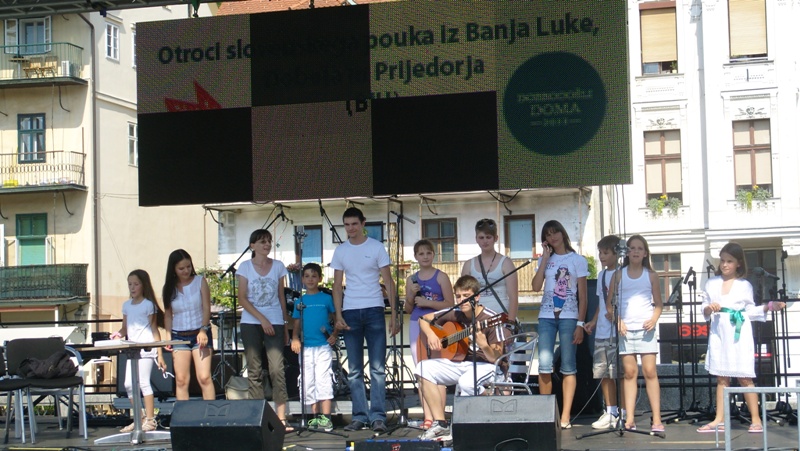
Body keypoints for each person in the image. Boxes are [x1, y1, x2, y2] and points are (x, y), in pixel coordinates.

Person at [696, 242, 786, 433]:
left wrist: (768, 306)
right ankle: (719, 419)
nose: (725, 264)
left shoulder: (744, 285)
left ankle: (756, 419)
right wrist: (709, 308)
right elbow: (704, 307)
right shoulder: (711, 283)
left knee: (744, 377)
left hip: (738, 333)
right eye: (722, 260)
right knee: (722, 378)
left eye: (729, 261)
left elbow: (749, 311)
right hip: (719, 333)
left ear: (738, 263)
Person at [414, 275, 509, 442]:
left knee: (466, 382)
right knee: (422, 368)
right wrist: (431, 335)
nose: (461, 300)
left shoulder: (491, 318)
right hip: (462, 363)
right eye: (458, 296)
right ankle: (440, 424)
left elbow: (496, 358)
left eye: (466, 296)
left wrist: (483, 345)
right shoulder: (455, 313)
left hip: (489, 366)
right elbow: (423, 319)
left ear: (477, 297)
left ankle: (492, 400)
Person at [331, 207, 398, 433]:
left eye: (354, 224)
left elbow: (389, 282)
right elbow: (337, 286)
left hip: (374, 309)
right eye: (347, 224)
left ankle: (378, 416)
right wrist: (338, 315)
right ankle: (359, 416)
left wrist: (394, 315)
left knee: (378, 368)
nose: (350, 228)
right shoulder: (341, 250)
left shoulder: (376, 247)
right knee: (354, 369)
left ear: (363, 223)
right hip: (350, 311)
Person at [531, 220, 588, 429]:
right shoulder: (545, 260)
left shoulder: (577, 260)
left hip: (570, 317)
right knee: (544, 365)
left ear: (563, 234)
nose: (552, 237)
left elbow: (583, 296)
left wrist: (580, 323)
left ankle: (565, 416)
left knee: (568, 366)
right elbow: (536, 286)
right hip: (546, 316)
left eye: (555, 232)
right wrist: (545, 260)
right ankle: (546, 415)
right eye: (548, 234)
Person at [606, 234, 664, 432]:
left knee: (650, 371)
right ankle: (629, 417)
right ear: (626, 252)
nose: (636, 251)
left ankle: (657, 419)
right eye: (632, 248)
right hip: (626, 330)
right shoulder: (618, 275)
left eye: (640, 248)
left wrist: (653, 319)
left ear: (645, 253)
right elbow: (609, 305)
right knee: (629, 373)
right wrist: (618, 321)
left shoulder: (651, 275)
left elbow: (658, 304)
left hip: (646, 329)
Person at [237, 229, 292, 431]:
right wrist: (262, 319)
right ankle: (258, 417)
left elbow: (281, 297)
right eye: (262, 242)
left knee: (277, 368)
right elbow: (242, 297)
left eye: (269, 241)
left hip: (275, 320)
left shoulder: (278, 266)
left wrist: (285, 325)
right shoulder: (245, 267)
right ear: (252, 245)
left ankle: (281, 418)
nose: (267, 245)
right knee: (254, 369)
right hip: (251, 322)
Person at [404, 239, 454, 429]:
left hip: (437, 324)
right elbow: (408, 308)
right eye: (421, 254)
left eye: (428, 253)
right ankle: (428, 417)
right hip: (416, 323)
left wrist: (429, 303)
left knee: (438, 370)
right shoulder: (411, 279)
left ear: (433, 255)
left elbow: (450, 304)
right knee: (422, 370)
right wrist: (411, 295)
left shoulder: (441, 277)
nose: (425, 257)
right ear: (416, 257)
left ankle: (440, 417)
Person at [113, 269, 166, 433]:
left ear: (143, 285)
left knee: (143, 382)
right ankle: (139, 417)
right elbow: (124, 328)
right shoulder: (126, 305)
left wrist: (160, 354)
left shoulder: (148, 305)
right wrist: (118, 334)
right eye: (130, 284)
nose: (132, 287)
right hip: (132, 350)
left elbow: (154, 329)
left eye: (136, 284)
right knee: (129, 384)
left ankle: (150, 420)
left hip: (147, 348)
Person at [290, 263, 338, 432]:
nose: (310, 279)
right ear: (302, 279)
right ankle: (314, 416)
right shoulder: (300, 301)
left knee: (323, 378)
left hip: (323, 345)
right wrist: (295, 338)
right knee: (307, 379)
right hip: (306, 347)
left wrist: (334, 334)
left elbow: (336, 318)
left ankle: (326, 417)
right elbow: (296, 322)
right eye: (307, 276)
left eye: (314, 276)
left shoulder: (326, 298)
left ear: (320, 278)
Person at [162, 249, 215, 400]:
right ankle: (183, 413)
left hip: (200, 332)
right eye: (181, 268)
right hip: (179, 335)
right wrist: (168, 336)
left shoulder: (200, 281)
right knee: (181, 380)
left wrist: (203, 329)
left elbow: (206, 308)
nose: (186, 271)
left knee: (204, 377)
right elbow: (168, 315)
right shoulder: (169, 288)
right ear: (173, 269)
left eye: (188, 266)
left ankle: (211, 413)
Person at [584, 235, 623, 429]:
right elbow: (601, 302)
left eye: (606, 252)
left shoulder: (622, 274)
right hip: (601, 331)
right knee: (603, 372)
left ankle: (624, 410)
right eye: (600, 252)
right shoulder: (601, 275)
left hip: (618, 330)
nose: (601, 256)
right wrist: (593, 321)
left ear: (616, 253)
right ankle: (610, 410)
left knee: (619, 373)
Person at [461, 218, 519, 320]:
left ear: (496, 238)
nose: (485, 241)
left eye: (488, 237)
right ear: (476, 239)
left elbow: (513, 298)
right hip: (477, 319)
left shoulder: (506, 263)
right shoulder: (468, 264)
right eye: (481, 237)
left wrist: (511, 322)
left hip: (501, 317)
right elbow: (464, 296)